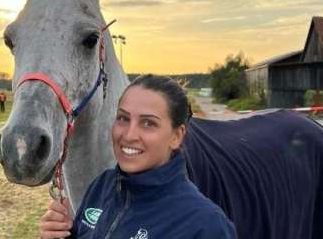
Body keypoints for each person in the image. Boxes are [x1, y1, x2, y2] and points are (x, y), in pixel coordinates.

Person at [39, 74, 237, 239]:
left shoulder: (206, 225)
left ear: (176, 136)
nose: (129, 135)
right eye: (123, 118)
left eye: (148, 123)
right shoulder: (102, 186)